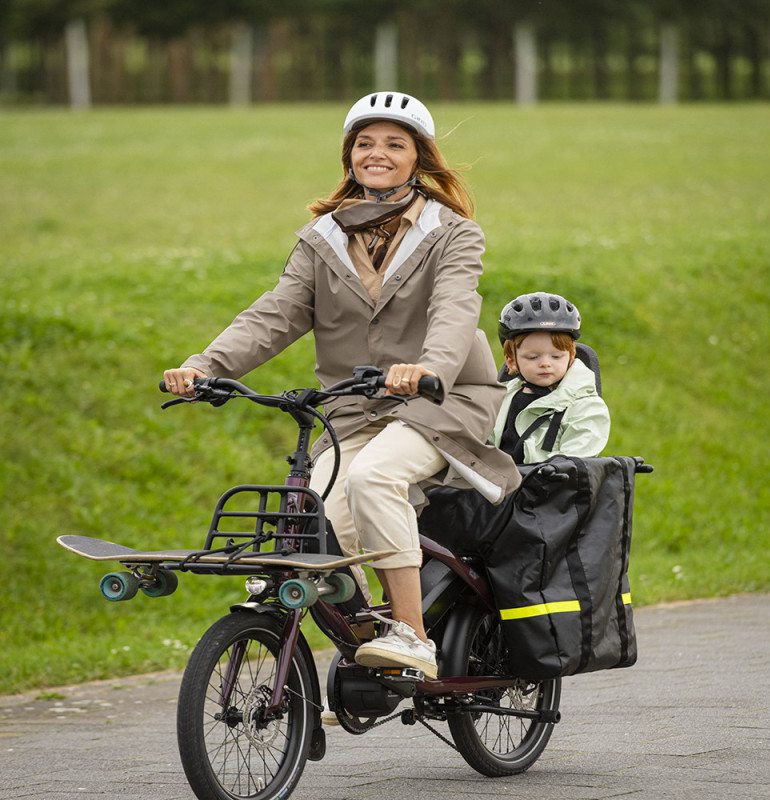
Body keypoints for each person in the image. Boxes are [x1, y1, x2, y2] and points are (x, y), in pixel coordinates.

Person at [163, 91, 520, 679]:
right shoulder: (321, 238)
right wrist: (207, 365)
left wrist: (428, 368)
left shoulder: (452, 233)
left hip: (440, 399)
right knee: (318, 529)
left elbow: (456, 310)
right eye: (365, 142)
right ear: (349, 155)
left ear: (418, 158)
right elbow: (275, 315)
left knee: (375, 476)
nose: (376, 153)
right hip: (354, 411)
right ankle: (368, 643)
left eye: (394, 144)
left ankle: (413, 636)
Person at [489, 292, 610, 463]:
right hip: (492, 483)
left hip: (546, 487)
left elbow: (576, 459)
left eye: (556, 356)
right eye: (533, 357)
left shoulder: (586, 407)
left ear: (571, 356)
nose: (545, 364)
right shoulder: (499, 398)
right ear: (511, 360)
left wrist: (553, 469)